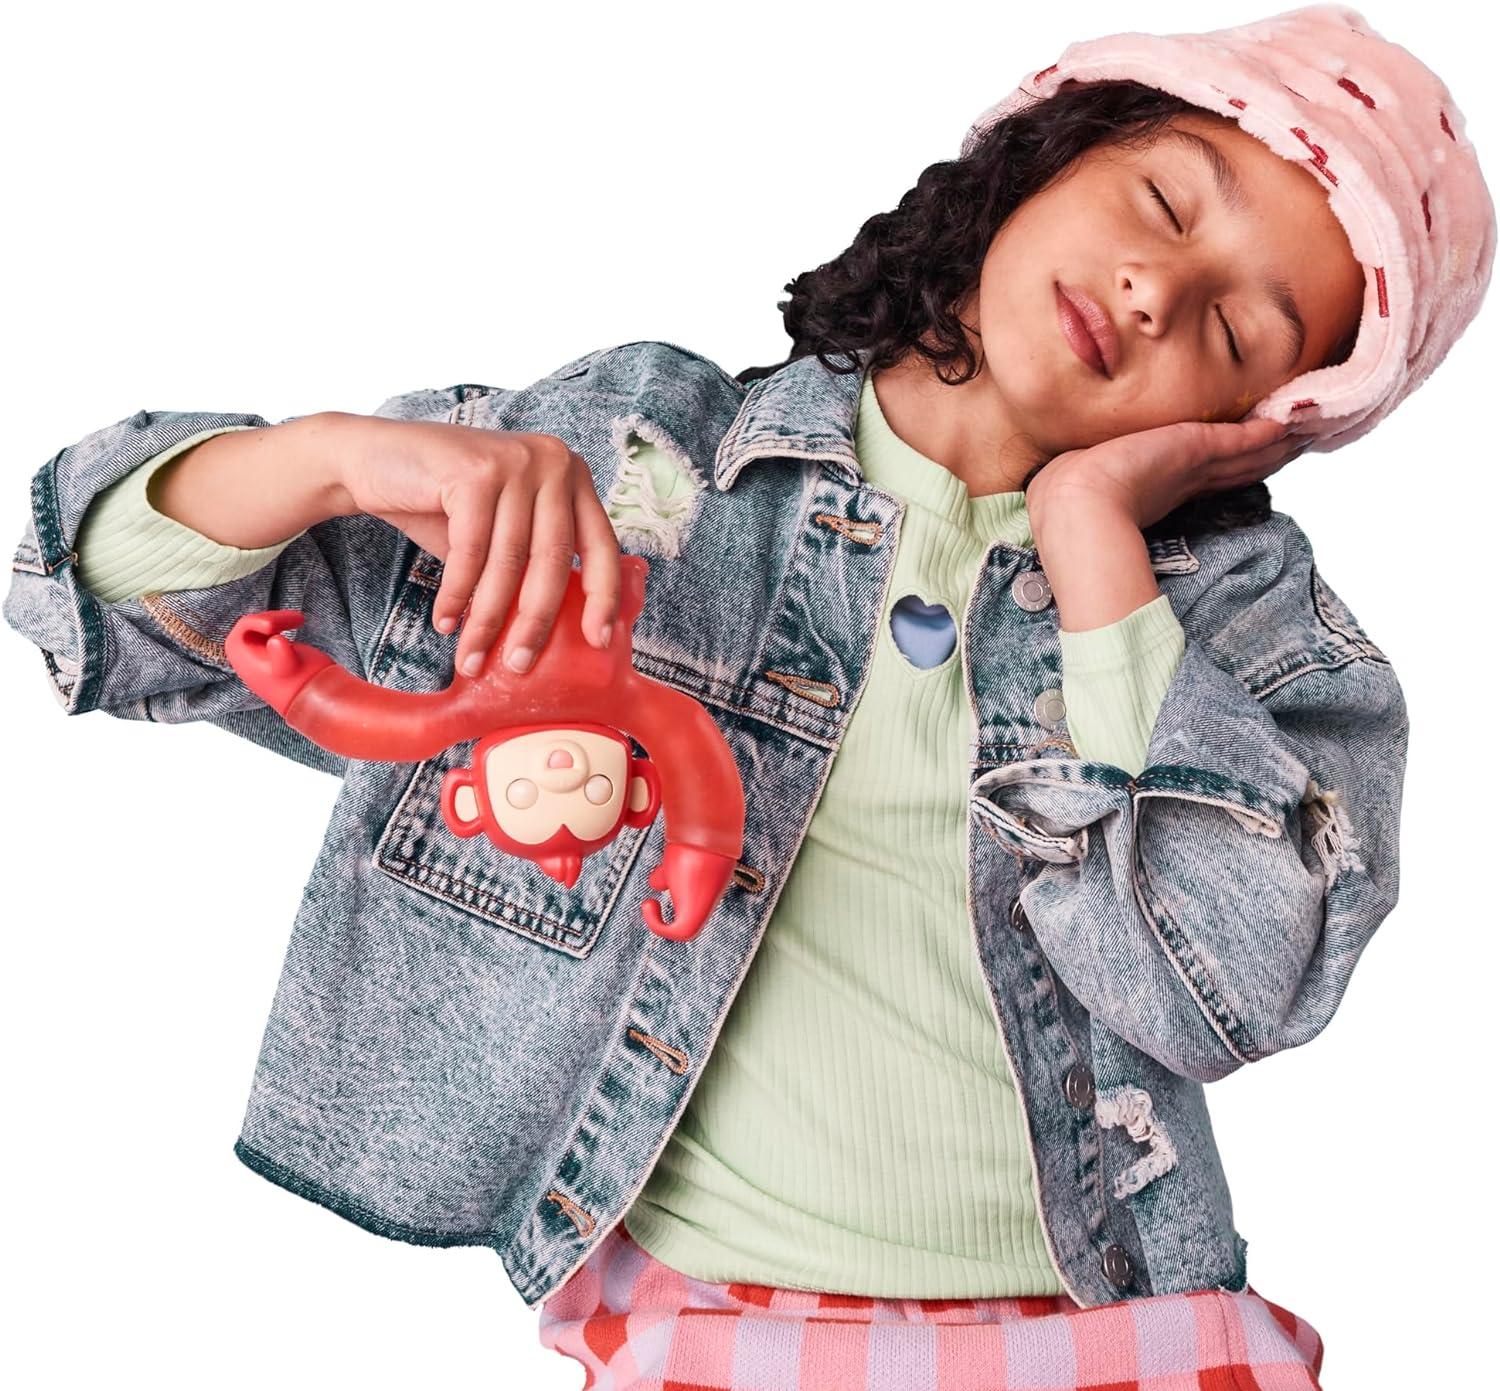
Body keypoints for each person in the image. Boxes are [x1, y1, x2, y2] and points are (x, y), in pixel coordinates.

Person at [4, 6, 1492, 1388]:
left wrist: (1098, 539)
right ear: (1050, 149)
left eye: (1237, 335)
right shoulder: (648, 477)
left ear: (1250, 432)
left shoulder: (1248, 636)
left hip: (1123, 1338)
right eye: (1166, 203)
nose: (1158, 291)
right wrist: (321, 458)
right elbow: (85, 599)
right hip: (712, 1338)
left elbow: (1225, 989)